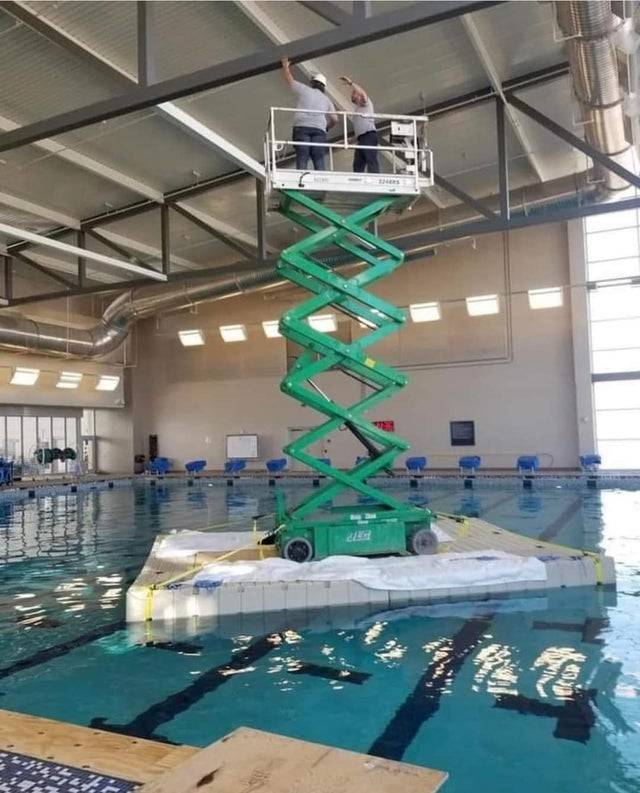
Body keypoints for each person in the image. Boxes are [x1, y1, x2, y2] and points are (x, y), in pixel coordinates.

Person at [281, 57, 337, 170]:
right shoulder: (327, 100)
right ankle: (321, 179)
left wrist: (285, 66)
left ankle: (302, 178)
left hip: (302, 126)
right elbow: (335, 119)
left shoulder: (305, 90)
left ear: (313, 83)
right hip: (319, 129)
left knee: (302, 156)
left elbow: (289, 79)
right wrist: (327, 127)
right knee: (318, 157)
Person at [340, 75, 379, 173]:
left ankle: (375, 177)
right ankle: (358, 177)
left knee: (371, 159)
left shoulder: (366, 104)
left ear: (359, 95)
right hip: (361, 138)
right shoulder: (358, 110)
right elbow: (359, 129)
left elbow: (363, 93)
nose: (352, 95)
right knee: (358, 163)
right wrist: (351, 140)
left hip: (368, 136)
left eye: (354, 93)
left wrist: (351, 83)